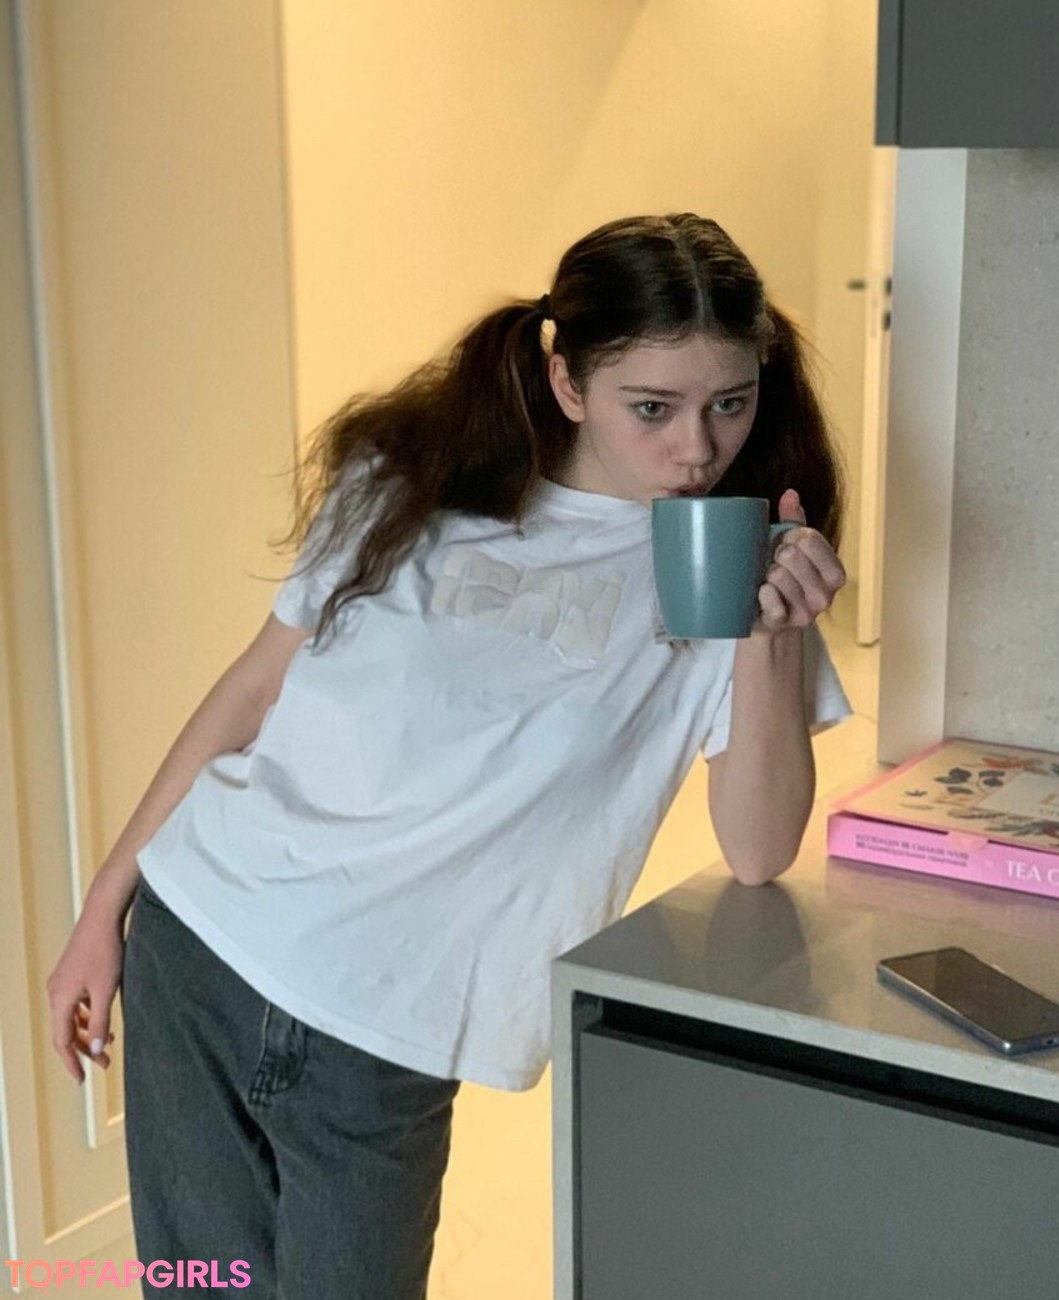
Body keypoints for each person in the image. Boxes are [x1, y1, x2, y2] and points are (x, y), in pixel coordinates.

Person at [47, 213, 851, 1298]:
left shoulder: (729, 569)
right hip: (199, 951)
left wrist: (772, 636)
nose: (698, 449)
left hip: (388, 1035)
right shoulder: (408, 483)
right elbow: (251, 692)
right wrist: (104, 907)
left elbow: (758, 849)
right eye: (652, 408)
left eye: (730, 403)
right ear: (568, 381)